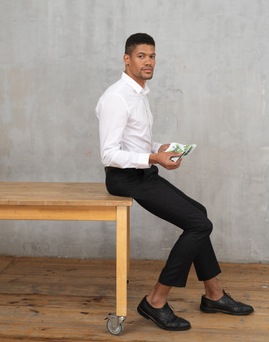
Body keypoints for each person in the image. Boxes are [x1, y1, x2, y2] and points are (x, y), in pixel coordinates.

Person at [95, 33, 254, 331]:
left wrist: (158, 148)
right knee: (199, 224)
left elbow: (135, 140)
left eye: (152, 56)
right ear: (127, 59)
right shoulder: (116, 98)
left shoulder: (139, 94)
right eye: (141, 56)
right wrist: (153, 159)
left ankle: (214, 295)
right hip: (124, 178)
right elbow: (109, 154)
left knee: (199, 215)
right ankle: (155, 300)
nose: (148, 62)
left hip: (142, 173)